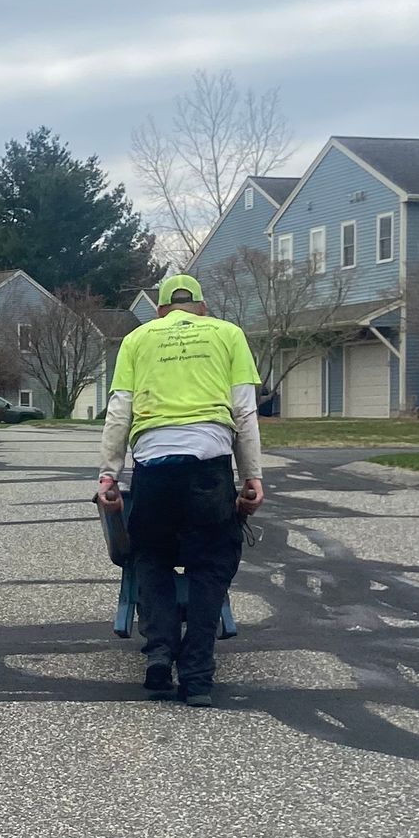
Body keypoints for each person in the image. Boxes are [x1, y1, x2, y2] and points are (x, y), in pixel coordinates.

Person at [96, 272, 265, 708]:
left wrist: (109, 475)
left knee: (150, 555)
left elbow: (119, 411)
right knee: (212, 562)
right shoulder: (228, 335)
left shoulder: (138, 339)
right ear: (203, 308)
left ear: (160, 311)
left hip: (154, 465)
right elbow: (244, 413)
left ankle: (159, 653)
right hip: (209, 466)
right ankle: (198, 677)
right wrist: (252, 478)